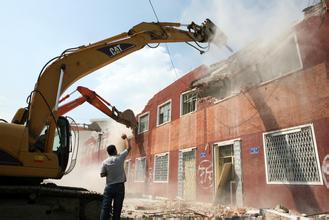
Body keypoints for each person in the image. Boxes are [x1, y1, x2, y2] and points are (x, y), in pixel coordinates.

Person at [99, 134, 131, 220]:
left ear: (108, 152)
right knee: (117, 210)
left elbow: (102, 174)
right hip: (119, 187)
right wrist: (125, 138)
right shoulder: (120, 157)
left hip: (109, 187)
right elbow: (128, 148)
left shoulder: (105, 162)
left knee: (105, 209)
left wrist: (109, 173)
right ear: (115, 150)